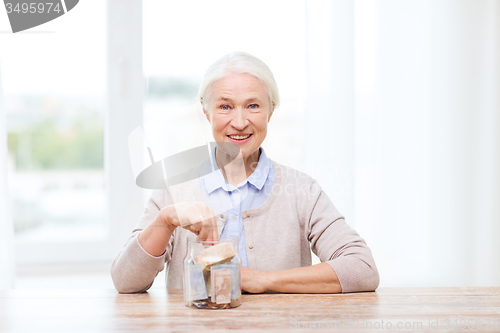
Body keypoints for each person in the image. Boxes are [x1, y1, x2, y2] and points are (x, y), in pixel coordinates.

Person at [111, 51, 379, 294]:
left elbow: (362, 269)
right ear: (206, 112)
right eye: (225, 106)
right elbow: (125, 281)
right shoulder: (175, 187)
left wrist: (260, 280)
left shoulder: (302, 190)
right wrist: (166, 220)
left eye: (253, 106)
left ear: (270, 111)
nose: (239, 123)